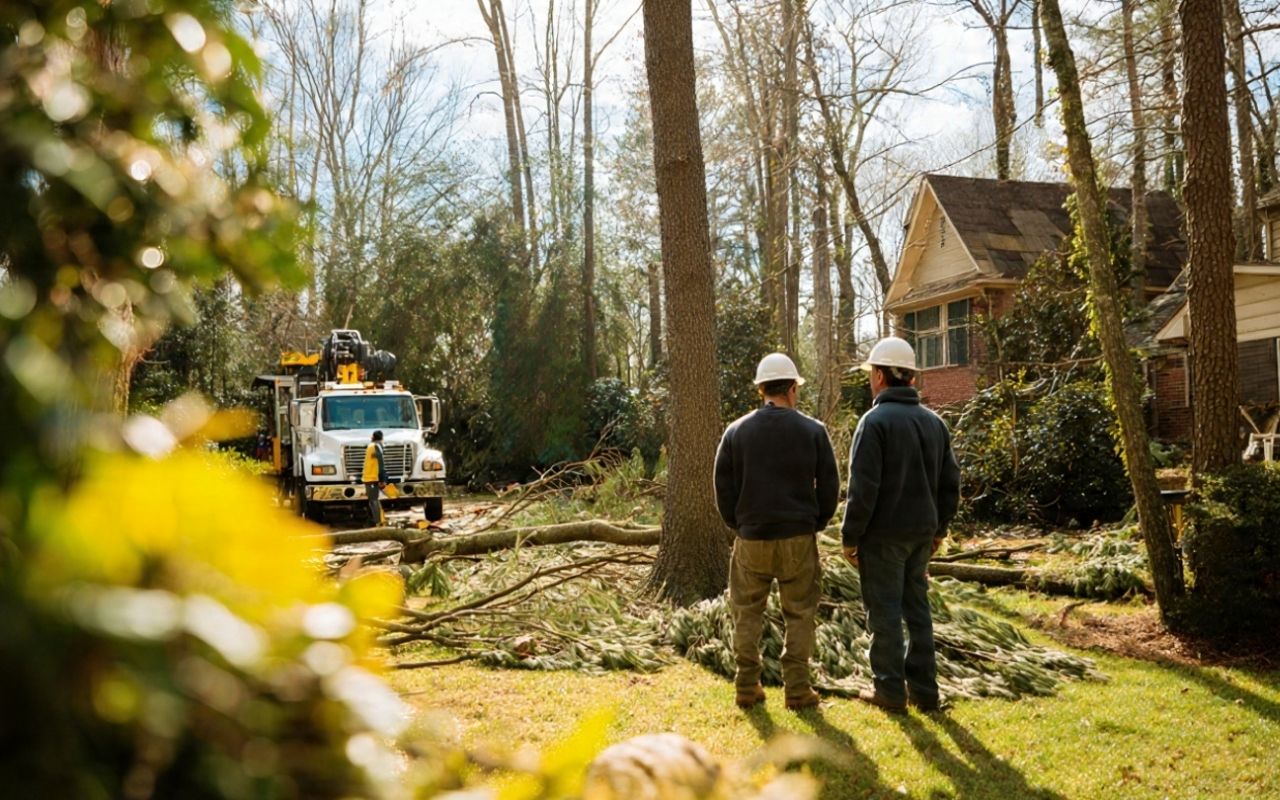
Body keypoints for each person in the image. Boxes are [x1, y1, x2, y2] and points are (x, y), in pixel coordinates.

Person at [714, 352, 840, 711]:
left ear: (761, 390)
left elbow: (721, 487)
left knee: (746, 612)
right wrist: (816, 522)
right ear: (793, 389)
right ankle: (798, 690)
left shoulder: (735, 432)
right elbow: (830, 485)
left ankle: (746, 685)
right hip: (798, 536)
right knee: (799, 613)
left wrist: (738, 524)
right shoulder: (813, 431)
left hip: (751, 537)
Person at [841, 337, 960, 713]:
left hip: (883, 536)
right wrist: (939, 529)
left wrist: (850, 537)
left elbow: (863, 489)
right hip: (921, 535)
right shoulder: (934, 423)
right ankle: (925, 692)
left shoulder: (873, 422)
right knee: (918, 611)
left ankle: (890, 692)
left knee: (886, 615)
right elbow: (950, 484)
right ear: (911, 377)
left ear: (878, 375)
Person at [362, 430, 389, 526]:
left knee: (373, 501)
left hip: (372, 478)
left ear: (373, 437)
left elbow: (380, 464)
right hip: (371, 478)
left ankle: (378, 523)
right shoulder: (376, 446)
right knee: (373, 501)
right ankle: (375, 521)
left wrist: (382, 479)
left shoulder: (373, 446)